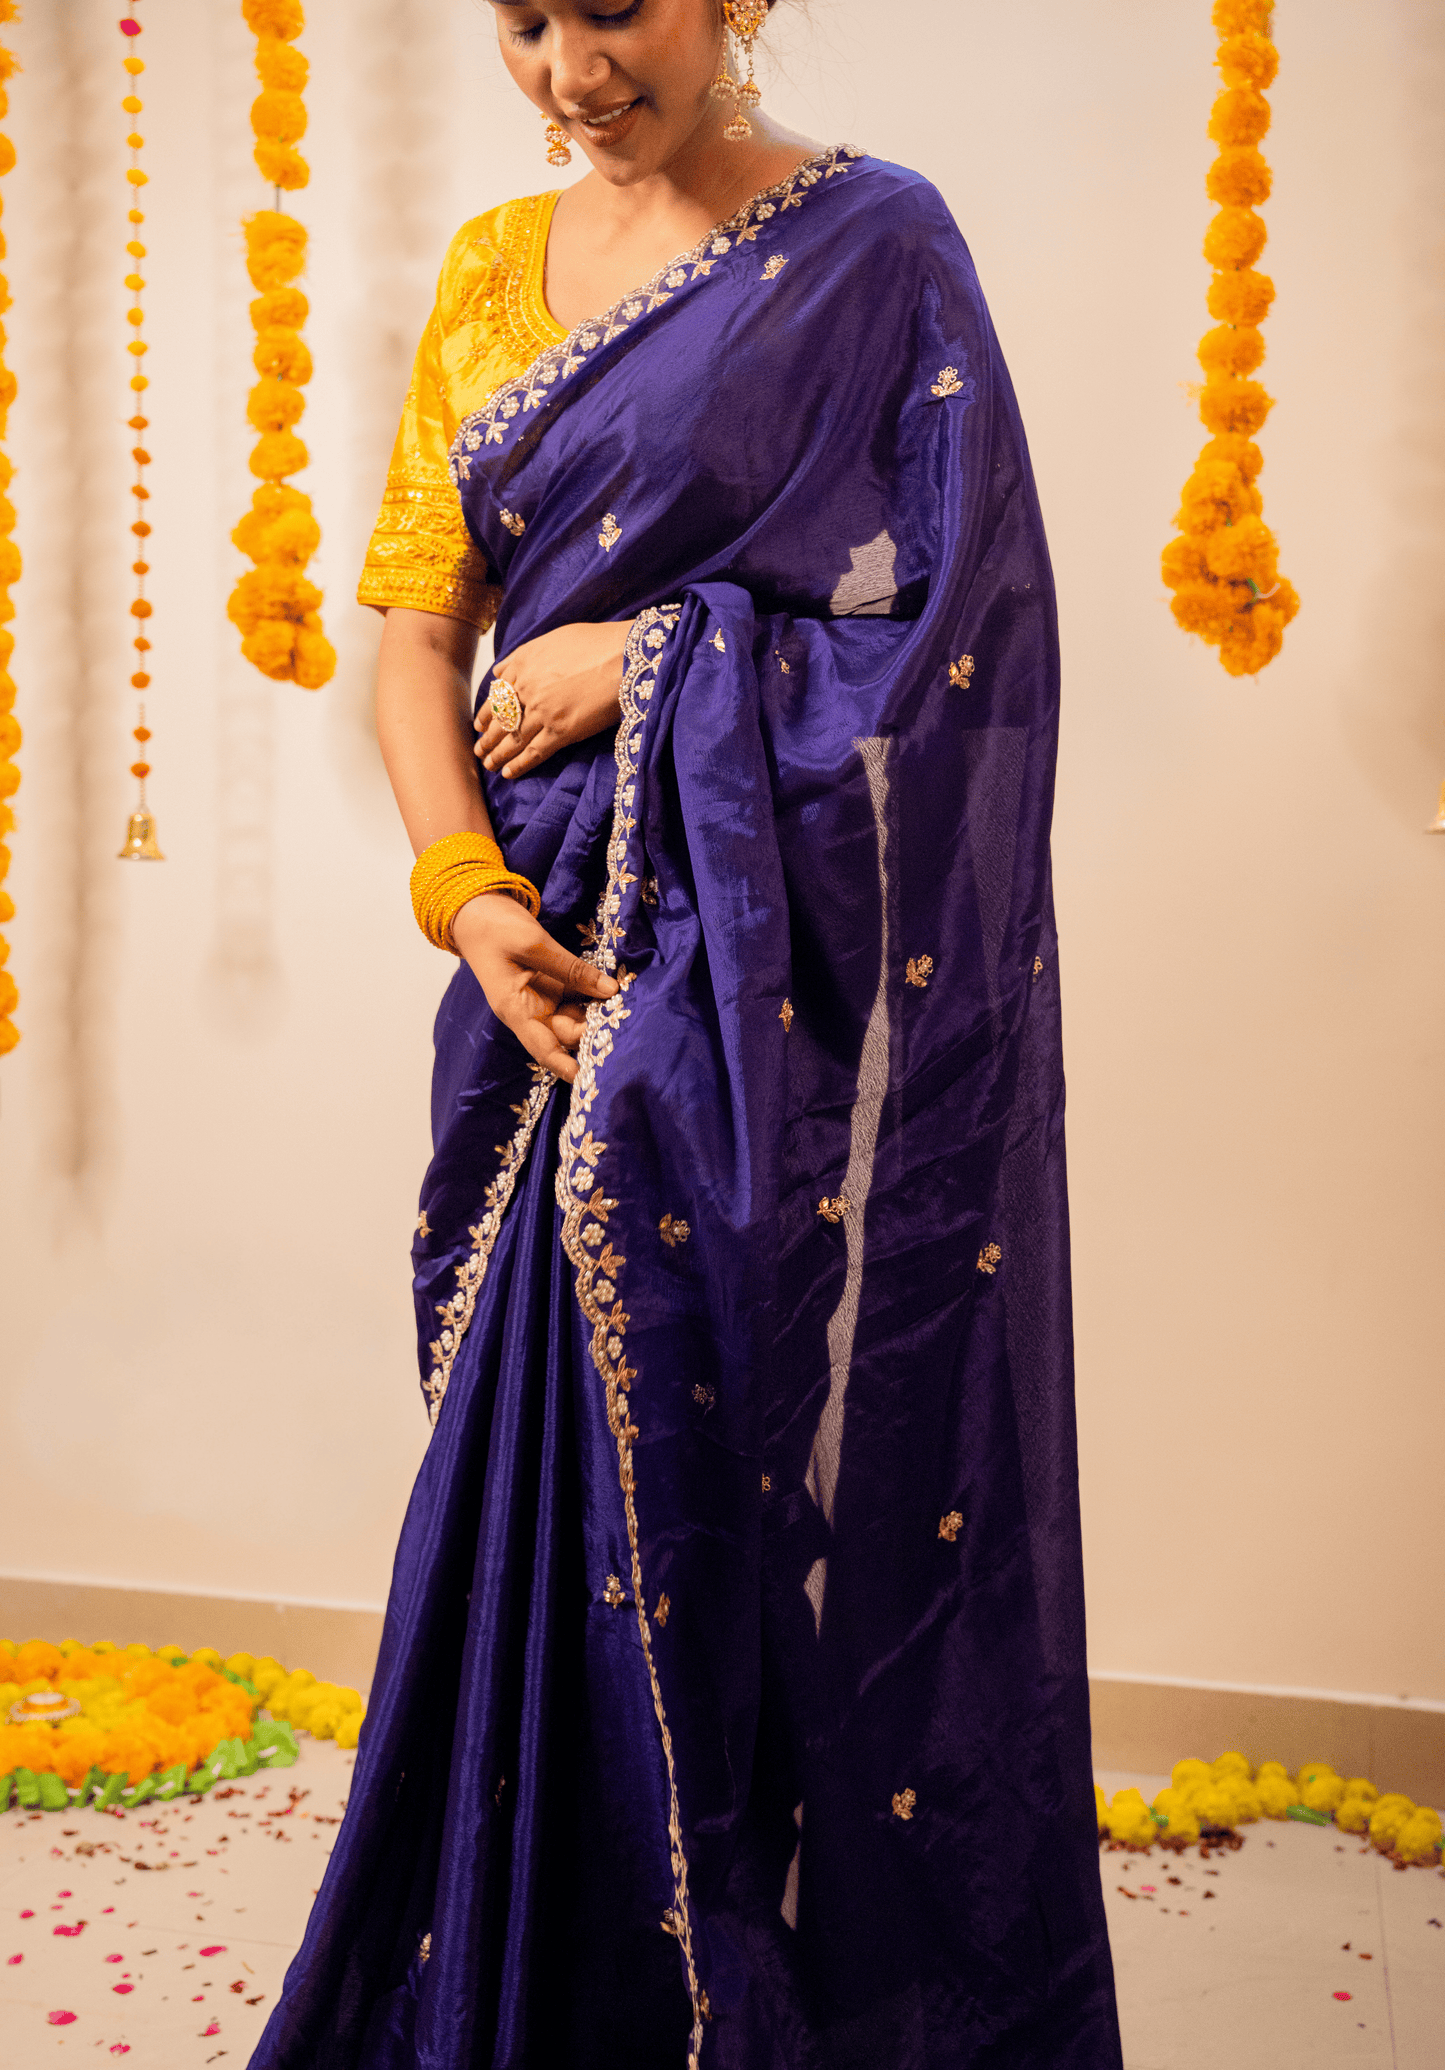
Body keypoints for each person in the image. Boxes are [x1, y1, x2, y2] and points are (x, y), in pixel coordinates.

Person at [250, 2, 1123, 2065]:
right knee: (542, 1496)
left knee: (752, 1494)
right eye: (521, 20)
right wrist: (464, 894)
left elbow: (962, 645)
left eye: (611, 5)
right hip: (542, 980)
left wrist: (658, 650)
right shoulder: (490, 270)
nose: (568, 68)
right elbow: (417, 633)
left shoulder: (880, 245)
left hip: (768, 1011)